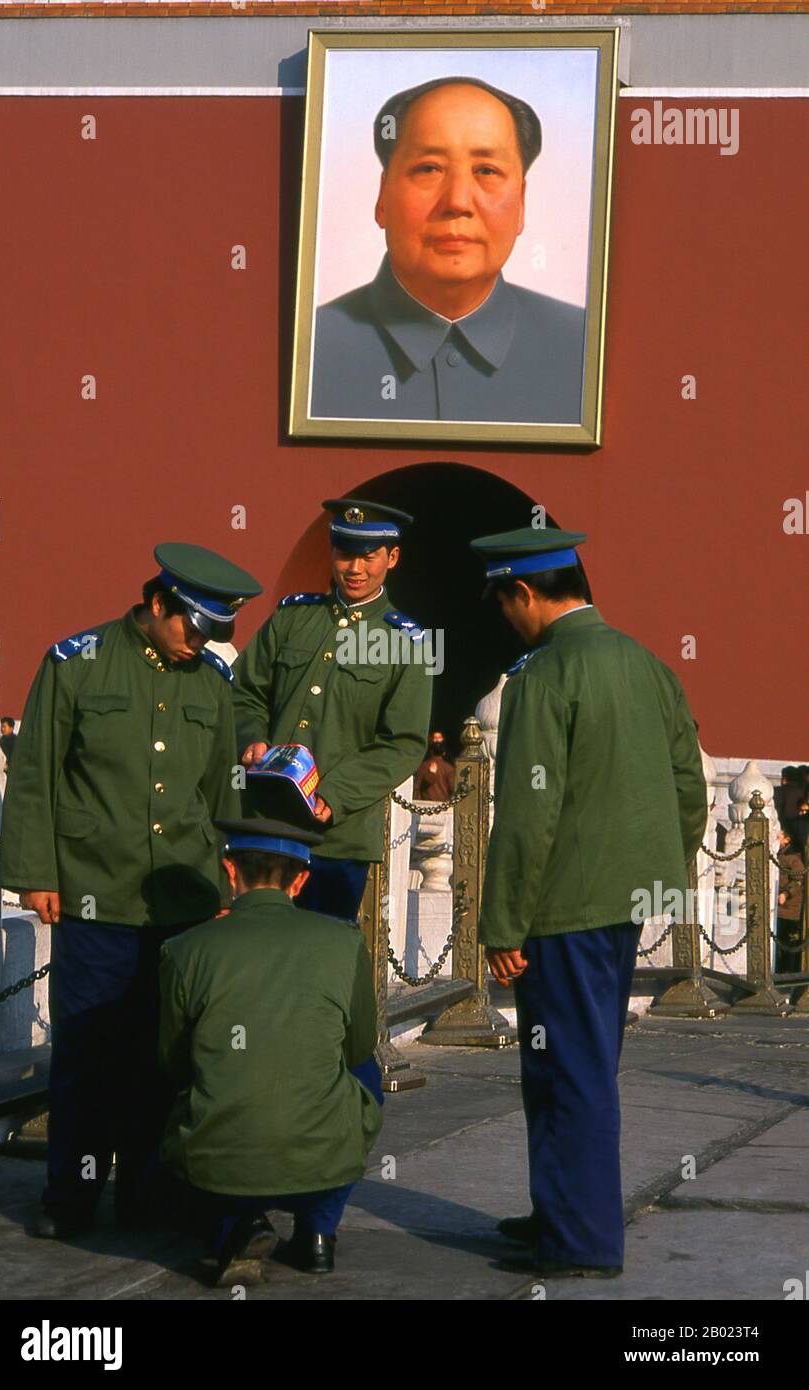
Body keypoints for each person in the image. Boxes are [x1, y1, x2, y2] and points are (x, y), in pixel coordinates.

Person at [0, 542, 262, 1239]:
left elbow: (222, 791)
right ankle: (71, 1200)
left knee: (160, 1057)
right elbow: (36, 775)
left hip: (183, 902)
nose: (200, 642)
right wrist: (35, 874)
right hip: (95, 895)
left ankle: (145, 1198)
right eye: (193, 627)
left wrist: (231, 880)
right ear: (156, 605)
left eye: (214, 633)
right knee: (88, 1055)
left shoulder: (210, 682)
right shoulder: (76, 662)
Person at [469, 525, 707, 1279]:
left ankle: (581, 1243)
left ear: (526, 593)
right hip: (623, 901)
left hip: (561, 907)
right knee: (571, 1064)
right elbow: (690, 790)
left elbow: (530, 816)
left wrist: (504, 921)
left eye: (506, 601)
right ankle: (560, 1211)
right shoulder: (648, 664)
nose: (506, 616)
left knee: (567, 1068)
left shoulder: (543, 675)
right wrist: (658, 866)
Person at [158, 817, 383, 1285]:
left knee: (200, 1086)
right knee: (365, 1073)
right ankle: (319, 1233)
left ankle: (235, 1224)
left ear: (228, 870)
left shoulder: (185, 949)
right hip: (319, 1147)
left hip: (222, 1147)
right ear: (301, 880)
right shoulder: (343, 942)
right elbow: (359, 1046)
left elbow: (173, 1062)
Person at [311, 77, 586, 425]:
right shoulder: (308, 349)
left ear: (521, 203)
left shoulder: (585, 349)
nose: (457, 201)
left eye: (486, 171)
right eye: (429, 169)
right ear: (382, 198)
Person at [231, 498, 432, 923]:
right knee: (260, 952)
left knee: (320, 959)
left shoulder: (407, 643)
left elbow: (402, 743)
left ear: (392, 558)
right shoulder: (291, 619)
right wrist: (251, 737)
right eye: (345, 553)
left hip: (335, 837)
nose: (354, 568)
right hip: (265, 821)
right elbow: (244, 691)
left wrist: (334, 795)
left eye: (368, 556)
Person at [775, 826, 805, 975]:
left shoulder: (793, 858)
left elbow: (798, 880)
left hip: (788, 909)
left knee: (787, 941)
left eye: (779, 836)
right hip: (780, 908)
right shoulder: (779, 855)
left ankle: (787, 971)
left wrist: (785, 894)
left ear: (787, 840)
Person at [414, 730, 455, 803]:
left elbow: (417, 787)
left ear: (431, 751)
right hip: (443, 805)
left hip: (424, 805)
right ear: (444, 753)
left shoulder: (423, 766)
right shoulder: (449, 768)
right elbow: (452, 789)